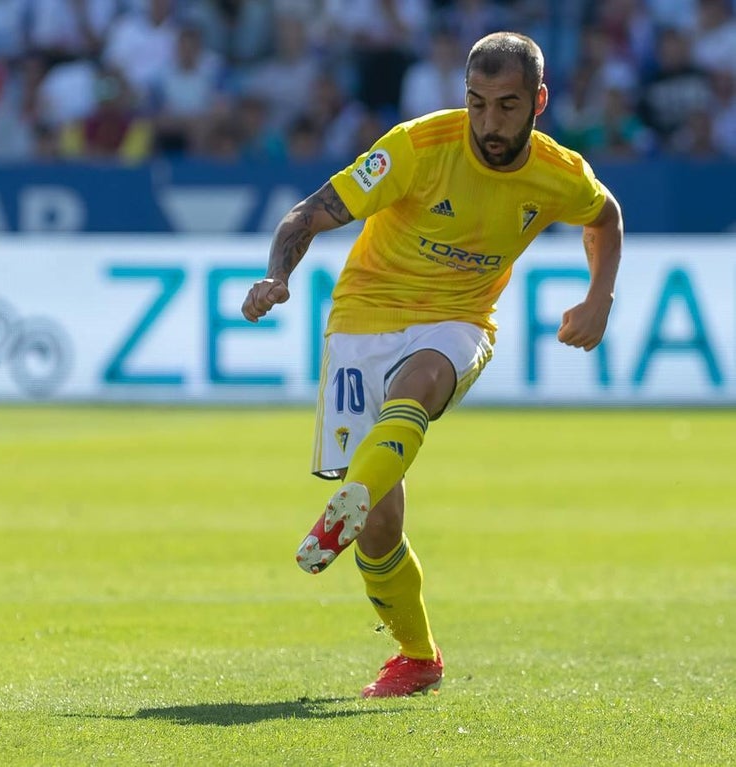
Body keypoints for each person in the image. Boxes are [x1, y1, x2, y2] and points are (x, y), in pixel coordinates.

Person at [241, 31, 622, 698]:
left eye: (506, 106)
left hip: (459, 320)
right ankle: (418, 656)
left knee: (419, 381)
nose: (489, 123)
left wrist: (599, 298)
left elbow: (605, 215)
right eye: (476, 104)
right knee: (381, 528)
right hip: (364, 316)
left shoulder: (558, 173)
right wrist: (278, 277)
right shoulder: (416, 147)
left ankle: (340, 508)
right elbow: (307, 215)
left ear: (538, 100)